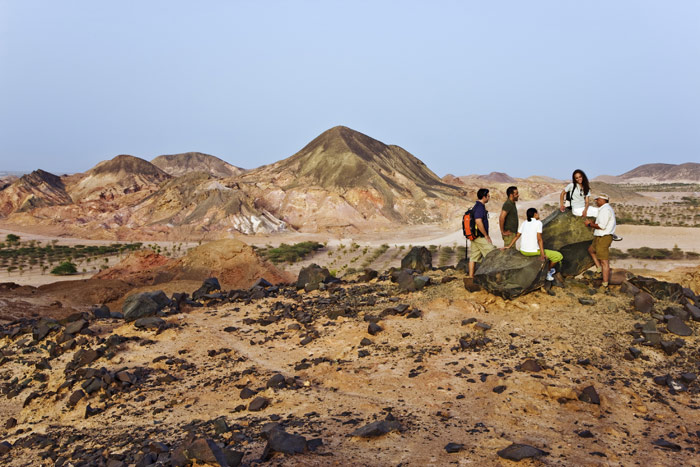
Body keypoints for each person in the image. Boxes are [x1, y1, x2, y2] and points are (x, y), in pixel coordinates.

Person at [506, 207, 563, 281]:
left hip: (523, 251)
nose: (538, 214)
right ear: (535, 214)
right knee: (558, 256)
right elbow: (539, 239)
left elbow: (517, 236)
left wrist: (509, 246)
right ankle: (547, 272)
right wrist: (542, 254)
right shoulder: (538, 223)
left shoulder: (524, 223)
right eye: (537, 213)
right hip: (532, 251)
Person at [585, 193, 616, 288]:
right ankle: (599, 269)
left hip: (604, 237)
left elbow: (602, 226)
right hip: (599, 236)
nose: (596, 201)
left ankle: (605, 283)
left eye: (597, 200)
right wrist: (593, 223)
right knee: (591, 250)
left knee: (604, 261)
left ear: (602, 200)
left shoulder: (606, 210)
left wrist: (589, 224)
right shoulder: (603, 209)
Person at [468, 188, 496, 278]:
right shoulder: (479, 207)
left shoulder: (477, 206)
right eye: (488, 196)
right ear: (484, 197)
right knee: (492, 253)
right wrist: (486, 235)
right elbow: (478, 221)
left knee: (474, 257)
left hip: (475, 236)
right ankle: (493, 276)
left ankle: (471, 277)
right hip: (480, 236)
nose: (489, 197)